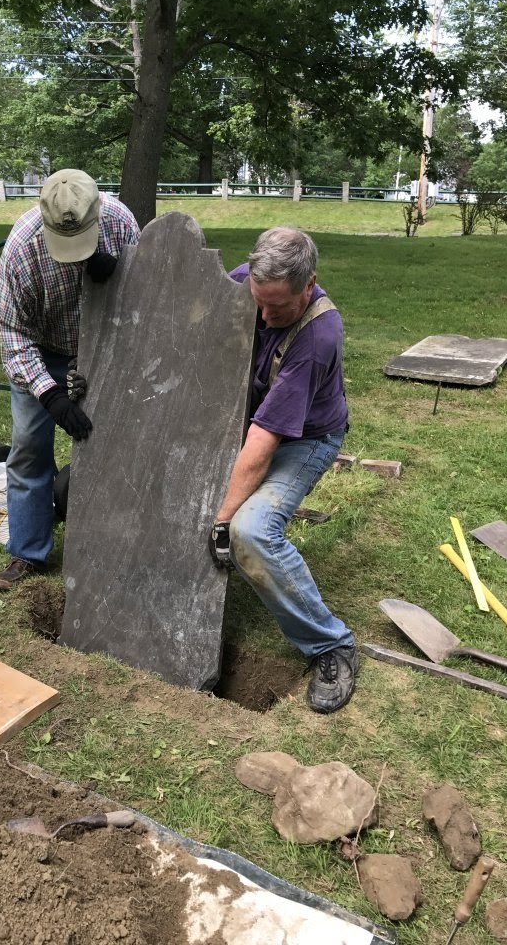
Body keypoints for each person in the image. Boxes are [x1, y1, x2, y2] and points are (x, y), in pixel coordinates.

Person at [208, 226, 357, 713]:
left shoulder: (318, 335)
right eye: (259, 301)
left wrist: (221, 520)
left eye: (278, 308)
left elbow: (264, 441)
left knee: (250, 529)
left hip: (306, 438)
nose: (265, 316)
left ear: (309, 285)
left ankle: (330, 645)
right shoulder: (243, 283)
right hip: (249, 417)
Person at [0, 169, 140, 591]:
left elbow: (149, 291)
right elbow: (12, 333)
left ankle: (119, 541)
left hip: (109, 345)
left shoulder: (120, 221)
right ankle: (28, 551)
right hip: (44, 350)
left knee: (119, 444)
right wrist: (51, 395)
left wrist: (122, 275)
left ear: (97, 214)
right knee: (28, 452)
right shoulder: (21, 249)